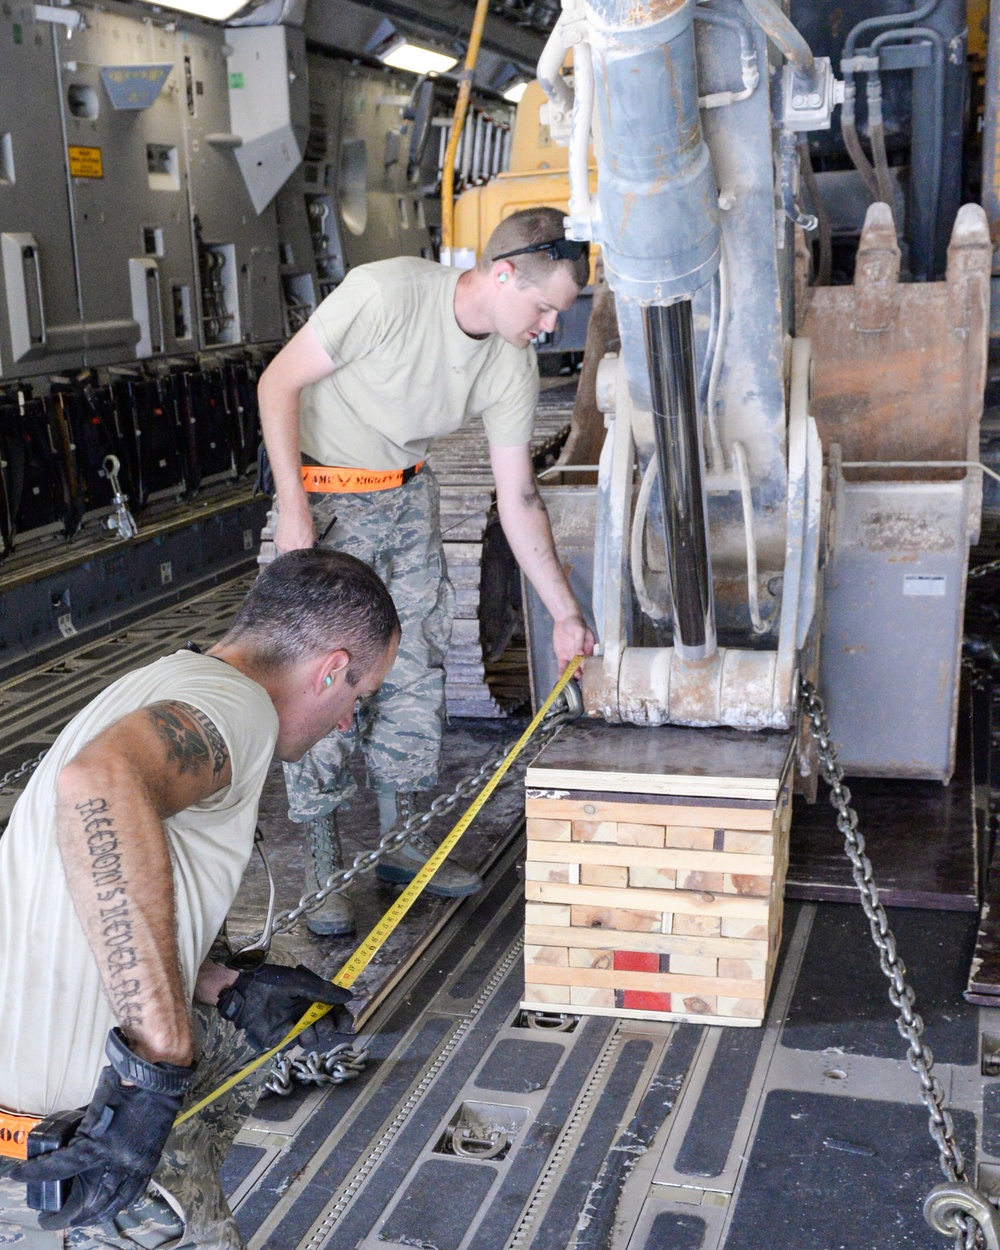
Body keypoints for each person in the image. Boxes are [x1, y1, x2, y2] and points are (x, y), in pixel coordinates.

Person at [0, 549, 401, 1248]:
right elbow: (97, 785)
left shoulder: (163, 679)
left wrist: (223, 985)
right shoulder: (238, 708)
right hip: (91, 1129)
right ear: (331, 668)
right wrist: (159, 1060)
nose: (345, 723)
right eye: (357, 698)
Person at [257, 206, 596, 938]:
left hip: (408, 499)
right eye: (543, 309)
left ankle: (399, 846)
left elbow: (519, 499)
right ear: (502, 275)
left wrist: (565, 611)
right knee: (314, 679)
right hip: (324, 499)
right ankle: (323, 867)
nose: (548, 328)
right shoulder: (386, 294)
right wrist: (292, 507)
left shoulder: (509, 366)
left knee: (413, 670)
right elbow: (276, 384)